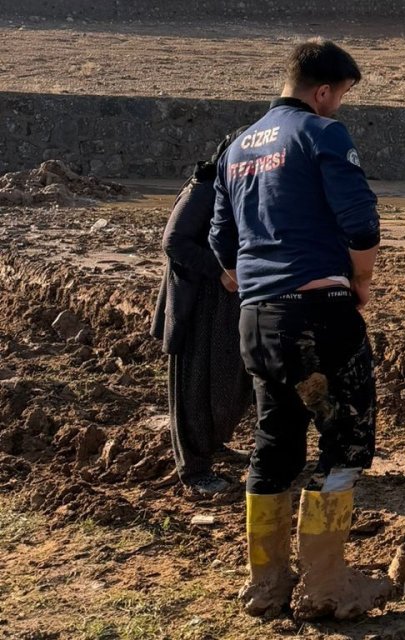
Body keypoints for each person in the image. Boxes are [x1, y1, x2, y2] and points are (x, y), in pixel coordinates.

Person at [209, 38, 389, 619]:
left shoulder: (236, 147)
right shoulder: (321, 133)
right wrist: (361, 281)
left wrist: (244, 276)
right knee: (344, 443)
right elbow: (359, 221)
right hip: (319, 315)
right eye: (339, 95)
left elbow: (221, 240)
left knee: (274, 442)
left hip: (257, 321)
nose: (338, 106)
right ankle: (328, 585)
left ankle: (267, 584)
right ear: (321, 90)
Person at [150, 128, 253, 497]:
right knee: (194, 389)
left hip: (226, 305)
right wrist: (221, 272)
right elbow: (174, 242)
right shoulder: (205, 188)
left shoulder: (238, 189)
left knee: (226, 382)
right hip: (198, 305)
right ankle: (193, 469)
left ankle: (214, 444)